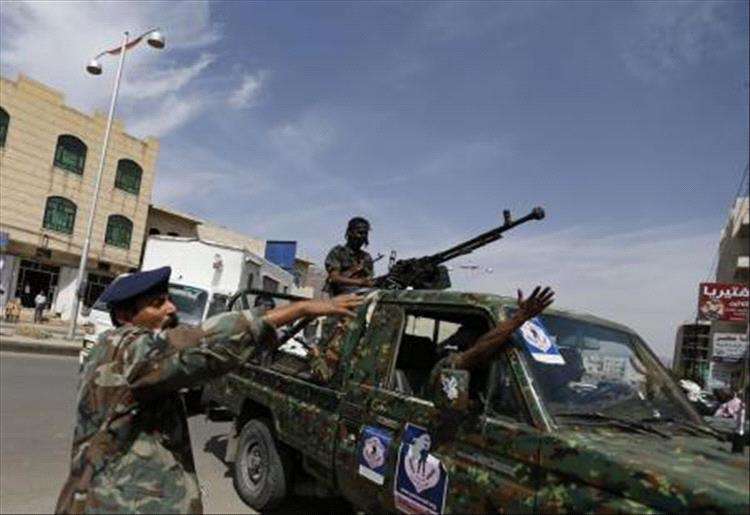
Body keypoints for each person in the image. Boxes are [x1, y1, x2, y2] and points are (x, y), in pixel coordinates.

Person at [55, 266, 362, 514]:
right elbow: (198, 343)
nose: (171, 308)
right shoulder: (125, 348)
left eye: (168, 299)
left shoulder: (123, 353)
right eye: (157, 303)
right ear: (124, 316)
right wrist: (298, 310)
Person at [426, 286, 555, 398]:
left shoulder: (500, 367)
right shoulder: (447, 363)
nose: (492, 347)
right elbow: (476, 353)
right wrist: (519, 318)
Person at [324, 217, 375, 296]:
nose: (362, 237)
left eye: (365, 234)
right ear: (350, 232)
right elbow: (334, 278)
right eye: (360, 233)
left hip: (361, 294)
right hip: (339, 296)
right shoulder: (338, 252)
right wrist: (360, 281)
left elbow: (369, 280)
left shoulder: (366, 257)